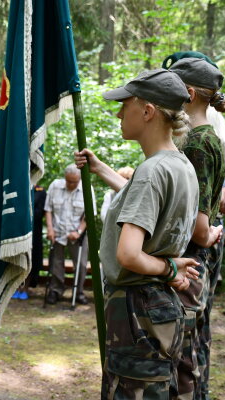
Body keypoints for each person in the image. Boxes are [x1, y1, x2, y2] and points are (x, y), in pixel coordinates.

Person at [75, 69, 201, 399]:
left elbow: (129, 254)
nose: (119, 113)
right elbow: (144, 203)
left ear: (147, 112)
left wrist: (169, 268)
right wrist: (101, 168)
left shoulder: (150, 171)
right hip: (160, 309)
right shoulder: (180, 165)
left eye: (125, 104)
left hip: (136, 310)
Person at [165, 56, 225, 400]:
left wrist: (214, 233)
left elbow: (199, 228)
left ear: (188, 94)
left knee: (182, 360)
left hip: (188, 265)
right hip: (192, 263)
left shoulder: (197, 144)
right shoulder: (206, 139)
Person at [44, 164, 95, 305]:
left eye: (74, 181)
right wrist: (49, 229)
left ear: (79, 179)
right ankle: (56, 291)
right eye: (69, 181)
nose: (71, 184)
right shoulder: (55, 186)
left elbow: (89, 215)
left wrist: (78, 231)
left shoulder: (87, 188)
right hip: (57, 231)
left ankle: (78, 292)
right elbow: (48, 209)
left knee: (81, 264)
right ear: (65, 178)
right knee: (56, 263)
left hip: (78, 235)